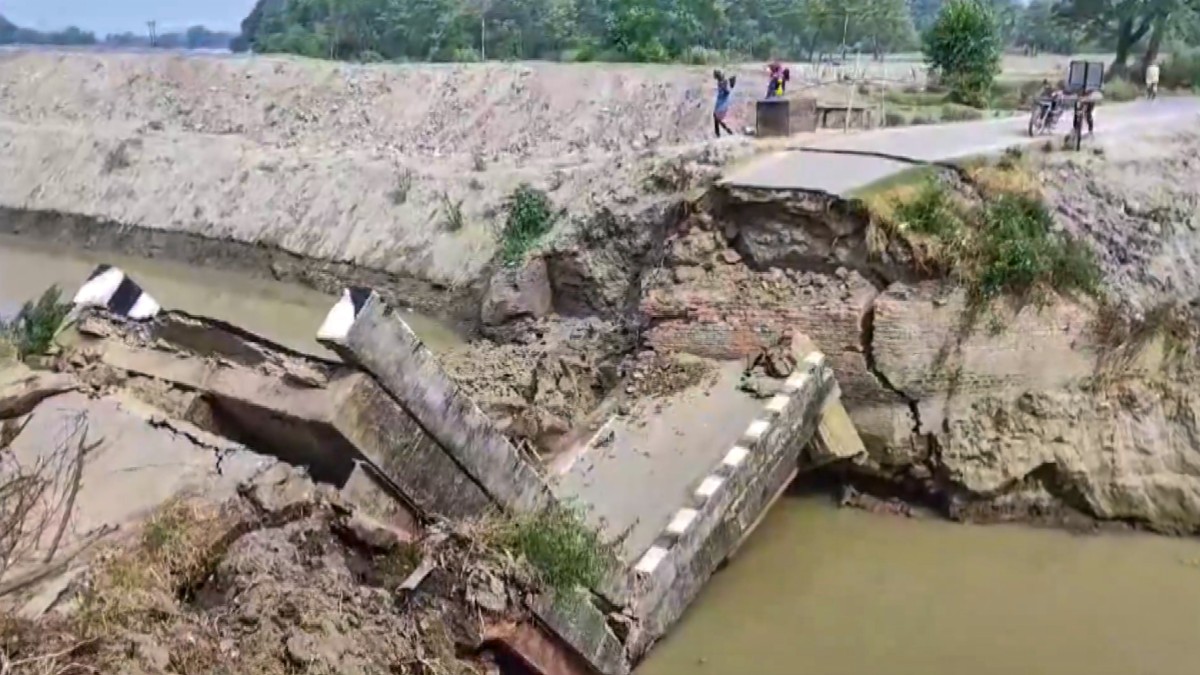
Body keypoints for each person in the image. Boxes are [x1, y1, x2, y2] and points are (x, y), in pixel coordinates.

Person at [713, 70, 737, 138]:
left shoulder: (723, 82)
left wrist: (724, 89)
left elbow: (727, 91)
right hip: (721, 101)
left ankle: (725, 132)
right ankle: (723, 132)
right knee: (717, 118)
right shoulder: (721, 82)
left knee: (717, 117)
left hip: (723, 102)